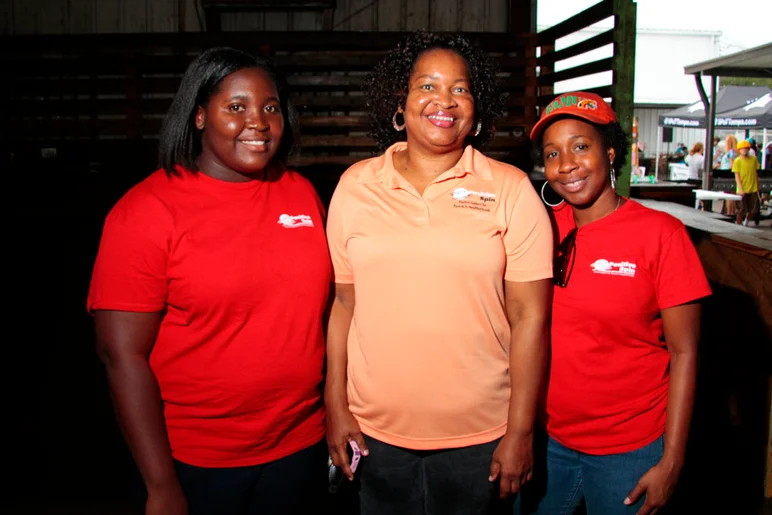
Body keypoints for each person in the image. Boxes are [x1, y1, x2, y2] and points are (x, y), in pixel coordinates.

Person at [87, 47, 331, 515]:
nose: (257, 122)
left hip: (300, 445)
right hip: (198, 461)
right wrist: (160, 485)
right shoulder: (145, 212)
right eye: (236, 107)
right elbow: (121, 357)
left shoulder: (299, 193)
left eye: (270, 107)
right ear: (199, 117)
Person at [325, 31, 554, 515]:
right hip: (374, 436)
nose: (444, 100)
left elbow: (531, 319)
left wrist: (520, 431)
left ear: (476, 109)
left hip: (481, 439)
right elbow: (344, 304)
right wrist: (336, 407)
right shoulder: (355, 186)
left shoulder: (511, 190)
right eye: (426, 86)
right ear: (400, 102)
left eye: (461, 88)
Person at [518, 92, 711, 515]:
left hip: (631, 447)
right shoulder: (537, 228)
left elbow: (685, 353)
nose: (566, 163)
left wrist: (673, 459)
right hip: (547, 441)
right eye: (553, 153)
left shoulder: (662, 234)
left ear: (610, 151)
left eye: (581, 147)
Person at [732, 139, 761, 226]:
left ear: (749, 149)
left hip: (753, 188)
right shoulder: (737, 161)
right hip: (742, 188)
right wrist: (740, 188)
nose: (744, 150)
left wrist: (757, 186)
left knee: (753, 209)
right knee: (741, 210)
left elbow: (755, 172)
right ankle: (738, 224)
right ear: (739, 150)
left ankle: (746, 222)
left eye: (746, 148)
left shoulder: (753, 159)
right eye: (742, 149)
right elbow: (737, 175)